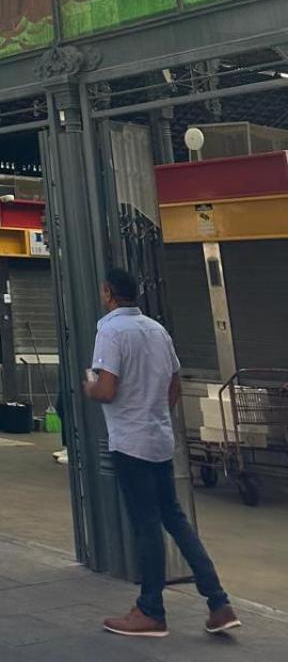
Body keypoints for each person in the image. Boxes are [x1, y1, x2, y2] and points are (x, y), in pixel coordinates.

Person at [86, 267, 240, 639]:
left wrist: (88, 385)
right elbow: (174, 381)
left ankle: (151, 610)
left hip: (130, 441)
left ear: (108, 293)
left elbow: (106, 389)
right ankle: (218, 602)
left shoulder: (109, 330)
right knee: (174, 517)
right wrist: (157, 413)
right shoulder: (157, 330)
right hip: (158, 438)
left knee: (146, 525)